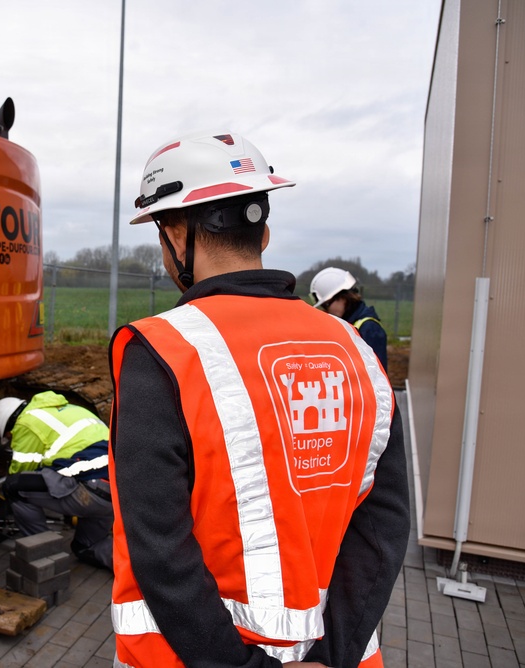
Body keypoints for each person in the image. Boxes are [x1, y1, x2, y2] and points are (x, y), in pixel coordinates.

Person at [107, 130, 410, 668]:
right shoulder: (357, 352)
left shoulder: (161, 352)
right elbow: (383, 528)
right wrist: (330, 655)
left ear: (177, 234)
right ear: (263, 232)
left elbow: (159, 548)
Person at [0, 390, 114, 570]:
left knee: (14, 487)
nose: (12, 440)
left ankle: (44, 556)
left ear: (9, 428)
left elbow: (22, 472)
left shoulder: (25, 422)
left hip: (90, 489)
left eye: (10, 437)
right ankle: (145, 567)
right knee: (85, 547)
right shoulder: (65, 409)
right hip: (119, 493)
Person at [310, 267, 389, 371]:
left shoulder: (369, 328)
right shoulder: (348, 323)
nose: (327, 311)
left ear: (342, 297)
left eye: (326, 305)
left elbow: (377, 375)